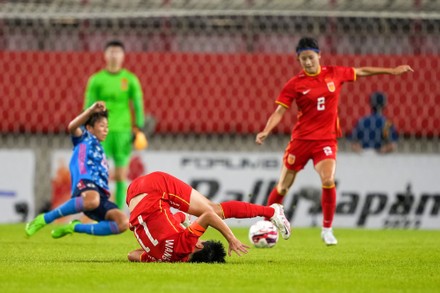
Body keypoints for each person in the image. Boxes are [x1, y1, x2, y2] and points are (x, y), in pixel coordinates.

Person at [256, 37, 413, 246]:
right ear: (298, 60)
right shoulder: (294, 84)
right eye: (303, 59)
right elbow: (279, 111)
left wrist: (391, 71)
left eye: (311, 57)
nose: (308, 62)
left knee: (328, 179)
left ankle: (327, 229)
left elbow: (362, 71)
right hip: (301, 141)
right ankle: (266, 224)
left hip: (326, 141)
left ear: (319, 55)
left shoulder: (335, 73)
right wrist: (267, 130)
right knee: (283, 187)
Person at [126, 171, 291, 263]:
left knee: (214, 211)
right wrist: (156, 256)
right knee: (214, 210)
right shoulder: (162, 257)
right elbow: (132, 254)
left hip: (155, 187)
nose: (198, 239)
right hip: (132, 195)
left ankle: (271, 212)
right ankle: (272, 211)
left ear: (197, 246)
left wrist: (231, 238)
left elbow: (209, 217)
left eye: (200, 240)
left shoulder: (185, 244)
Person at [25, 102, 128, 238]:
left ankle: (75, 227)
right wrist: (91, 111)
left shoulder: (102, 151)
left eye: (107, 127)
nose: (106, 130)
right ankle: (44, 219)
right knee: (92, 200)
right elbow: (72, 126)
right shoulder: (84, 139)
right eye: (102, 126)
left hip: (100, 195)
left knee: (123, 223)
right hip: (85, 183)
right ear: (90, 128)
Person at [84, 40, 146, 210]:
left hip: (123, 131)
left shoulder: (130, 79)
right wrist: (88, 128)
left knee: (121, 174)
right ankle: (100, 209)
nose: (114, 55)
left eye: (118, 52)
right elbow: (89, 106)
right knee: (99, 172)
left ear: (123, 56)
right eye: (111, 52)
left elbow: (138, 104)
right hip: (101, 131)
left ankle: (118, 211)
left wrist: (139, 128)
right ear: (105, 55)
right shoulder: (96, 80)